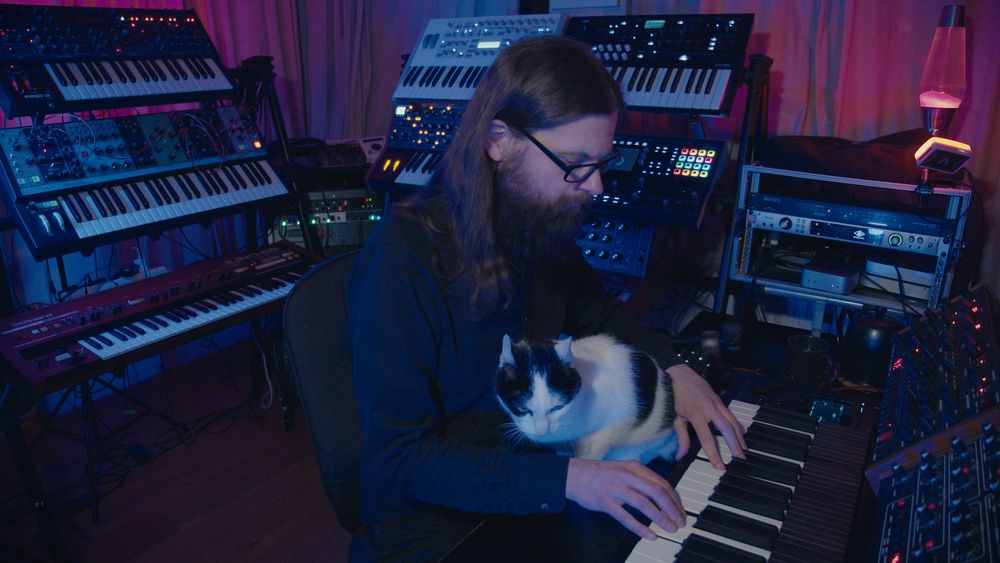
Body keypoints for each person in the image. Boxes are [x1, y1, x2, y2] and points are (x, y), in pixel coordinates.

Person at [346, 35, 747, 562]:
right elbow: (399, 460)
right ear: (499, 140)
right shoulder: (401, 262)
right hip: (440, 531)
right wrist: (570, 478)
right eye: (577, 163)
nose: (597, 185)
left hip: (536, 477)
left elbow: (601, 313)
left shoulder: (535, 225)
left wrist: (676, 371)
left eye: (603, 161)